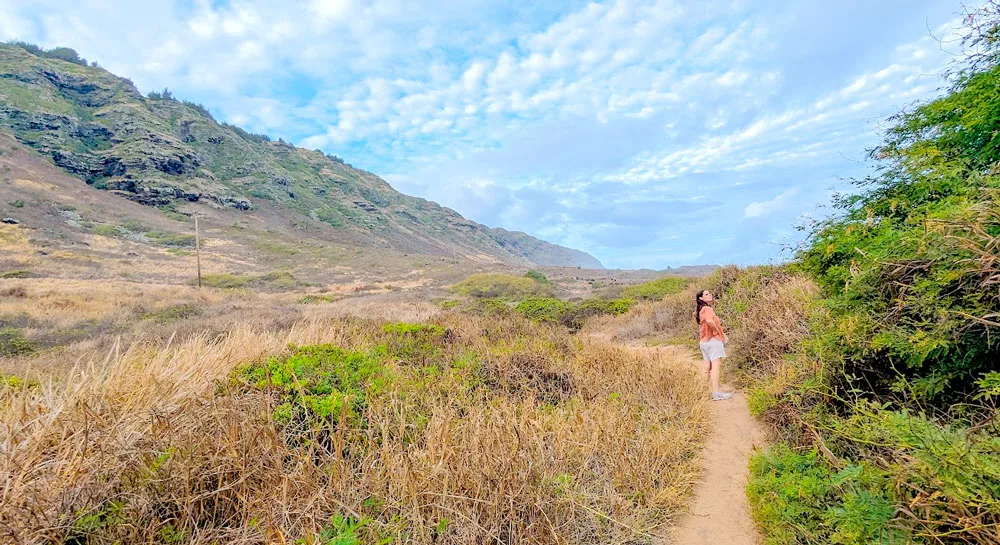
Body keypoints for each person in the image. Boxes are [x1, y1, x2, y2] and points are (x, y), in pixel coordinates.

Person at [696, 289, 732, 401]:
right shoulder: (707, 309)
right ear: (701, 298)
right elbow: (709, 321)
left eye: (709, 293)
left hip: (704, 342)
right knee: (716, 367)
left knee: (707, 367)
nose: (709, 295)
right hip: (712, 341)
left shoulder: (699, 310)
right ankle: (716, 393)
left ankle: (701, 392)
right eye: (706, 294)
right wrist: (716, 331)